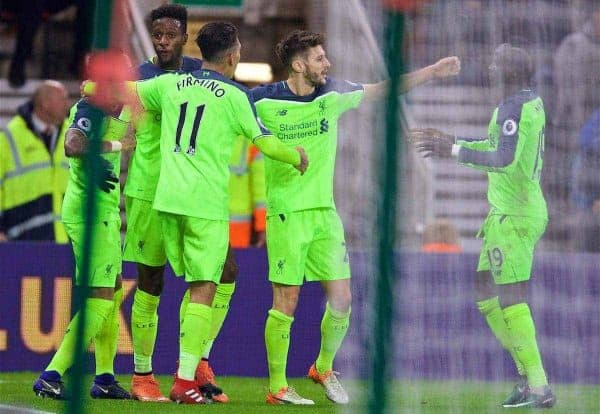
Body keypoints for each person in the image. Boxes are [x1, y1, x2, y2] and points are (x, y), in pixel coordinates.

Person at [249, 30, 460, 405]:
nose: (326, 64)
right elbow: (224, 119)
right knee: (287, 299)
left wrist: (432, 70)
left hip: (325, 215)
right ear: (298, 65)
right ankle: (277, 387)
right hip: (286, 214)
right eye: (318, 58)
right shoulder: (260, 101)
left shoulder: (333, 94)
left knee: (343, 298)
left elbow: (384, 88)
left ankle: (323, 367)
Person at [113, 21, 308, 404]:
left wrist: (90, 85)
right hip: (204, 206)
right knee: (204, 285)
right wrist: (295, 155)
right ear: (234, 55)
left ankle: (188, 367)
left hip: (165, 201)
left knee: (164, 280)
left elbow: (123, 90)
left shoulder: (170, 84)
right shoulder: (235, 97)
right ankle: (184, 377)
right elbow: (265, 142)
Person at [408, 43, 555, 408]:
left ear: (511, 71)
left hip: (515, 216)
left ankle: (537, 385)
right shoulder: (528, 101)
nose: (490, 68)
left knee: (511, 297)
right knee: (485, 290)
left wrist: (452, 152)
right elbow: (496, 147)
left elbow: (503, 160)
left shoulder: (513, 109)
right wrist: (454, 142)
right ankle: (527, 376)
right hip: (513, 212)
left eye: (496, 63)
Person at [32, 95, 135, 400]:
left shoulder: (121, 106)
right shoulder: (91, 107)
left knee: (112, 291)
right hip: (90, 215)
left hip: (103, 212)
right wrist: (120, 145)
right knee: (100, 297)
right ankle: (51, 376)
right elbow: (72, 146)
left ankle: (104, 378)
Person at [0, 80, 70, 242]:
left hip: (68, 241)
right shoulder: (10, 138)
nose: (67, 104)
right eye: (62, 99)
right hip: (21, 241)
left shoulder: (73, 134)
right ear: (45, 104)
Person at [228, 135, 266, 248]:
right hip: (237, 227)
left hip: (235, 229)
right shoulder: (251, 140)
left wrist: (263, 226)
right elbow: (260, 188)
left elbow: (260, 188)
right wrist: (263, 227)